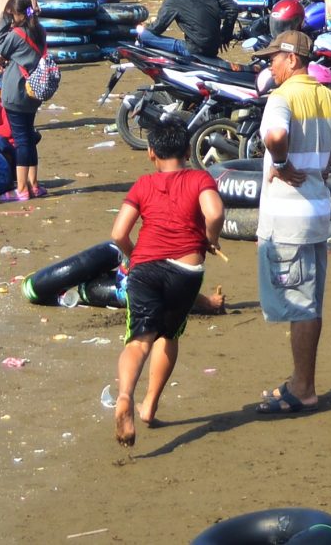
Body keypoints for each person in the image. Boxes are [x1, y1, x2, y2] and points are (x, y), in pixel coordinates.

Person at [250, 29, 331, 416]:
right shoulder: (329, 98)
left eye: (274, 58)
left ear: (292, 59)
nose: (269, 65)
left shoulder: (282, 97)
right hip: (316, 215)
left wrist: (279, 163)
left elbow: (275, 134)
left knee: (302, 304)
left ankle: (303, 388)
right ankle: (299, 380)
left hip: (288, 219)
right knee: (308, 301)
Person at [108, 116, 224, 448]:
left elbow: (118, 234)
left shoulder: (143, 184)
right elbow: (214, 213)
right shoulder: (200, 178)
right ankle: (149, 407)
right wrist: (209, 239)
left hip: (145, 266)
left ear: (151, 153)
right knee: (168, 335)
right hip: (185, 271)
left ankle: (125, 397)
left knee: (138, 341)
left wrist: (133, 257)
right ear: (189, 150)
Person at [0, 14, 52, 201]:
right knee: (28, 136)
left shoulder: (17, 34)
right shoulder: (40, 31)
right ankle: (34, 185)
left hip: (15, 92)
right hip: (33, 91)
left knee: (21, 141)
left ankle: (21, 189)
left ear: (17, 13)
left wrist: (4, 22)